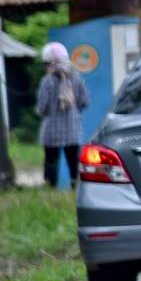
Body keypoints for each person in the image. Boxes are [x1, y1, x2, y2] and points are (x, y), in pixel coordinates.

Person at [34, 42, 89, 190]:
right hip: (73, 129)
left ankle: (50, 189)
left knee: (51, 162)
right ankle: (75, 190)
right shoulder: (76, 78)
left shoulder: (47, 81)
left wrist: (41, 111)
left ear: (49, 62)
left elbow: (42, 107)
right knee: (74, 163)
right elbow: (84, 101)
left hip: (51, 131)